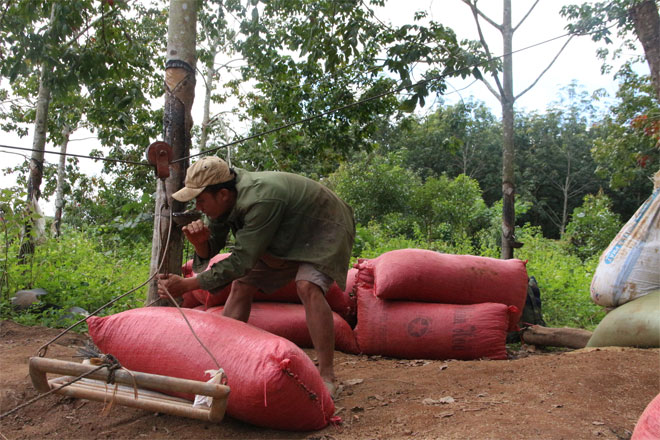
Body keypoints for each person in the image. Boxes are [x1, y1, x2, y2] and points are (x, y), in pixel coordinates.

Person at [157, 156, 355, 394]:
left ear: (223, 195)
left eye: (201, 200)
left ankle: (327, 377)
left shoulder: (260, 200)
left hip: (325, 224)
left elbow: (242, 261)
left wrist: (188, 284)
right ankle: (219, 366)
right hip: (286, 232)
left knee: (307, 286)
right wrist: (200, 244)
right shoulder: (222, 201)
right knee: (242, 285)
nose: (198, 207)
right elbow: (212, 248)